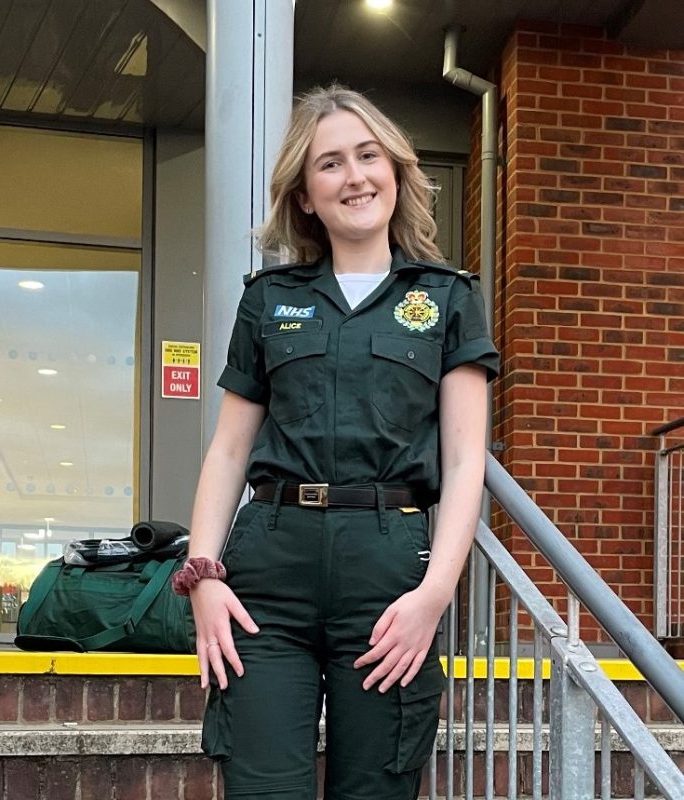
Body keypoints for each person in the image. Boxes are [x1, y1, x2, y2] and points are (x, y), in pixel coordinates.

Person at [175, 84, 500, 800]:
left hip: (389, 584)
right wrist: (202, 577)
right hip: (268, 582)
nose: (354, 176)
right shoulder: (268, 298)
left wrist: (434, 597)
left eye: (368, 155)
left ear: (396, 172)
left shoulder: (448, 297)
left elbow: (463, 462)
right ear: (305, 195)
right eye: (330, 164)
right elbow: (228, 451)